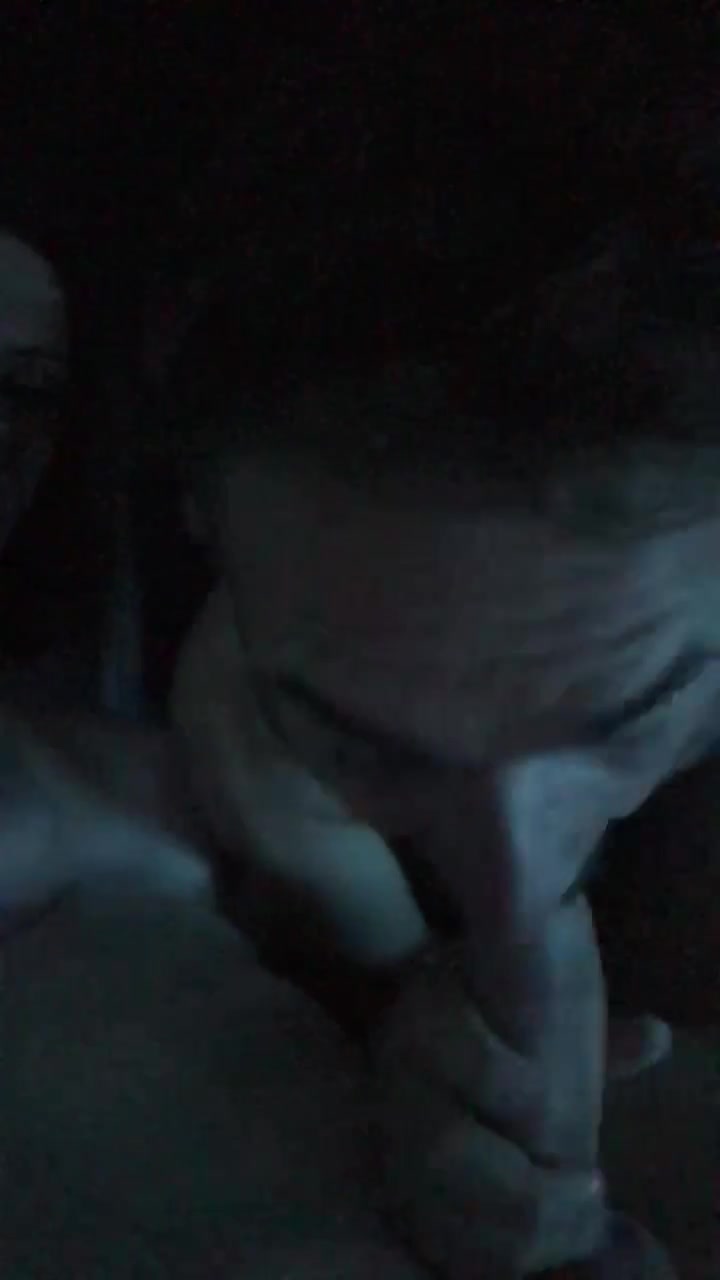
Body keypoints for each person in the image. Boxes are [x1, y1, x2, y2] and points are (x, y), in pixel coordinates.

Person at [158, 9, 720, 1278]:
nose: (516, 888)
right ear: (202, 526)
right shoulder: (245, 712)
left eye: (634, 715)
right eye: (364, 742)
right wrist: (405, 1030)